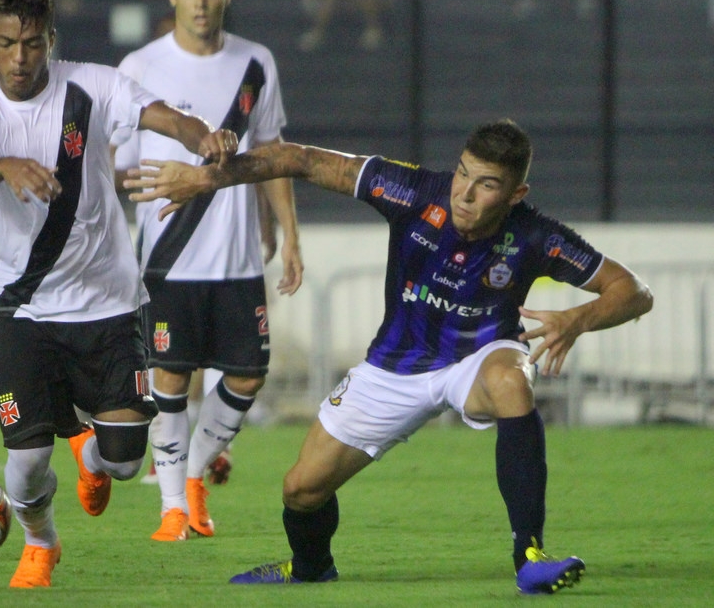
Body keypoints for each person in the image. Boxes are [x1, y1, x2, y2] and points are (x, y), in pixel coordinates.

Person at [124, 118, 654, 594]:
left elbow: (633, 290)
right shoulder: (412, 190)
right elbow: (301, 159)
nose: (465, 193)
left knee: (514, 378)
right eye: (463, 174)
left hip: (478, 359)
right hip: (392, 369)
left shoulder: (537, 235)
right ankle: (311, 567)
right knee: (301, 490)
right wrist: (210, 178)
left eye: (486, 185)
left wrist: (577, 320)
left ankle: (530, 555)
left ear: (516, 194)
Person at [0, 0, 240, 589]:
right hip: (25, 312)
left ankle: (89, 450)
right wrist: (4, 165)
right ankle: (41, 543)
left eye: (30, 43)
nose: (19, 58)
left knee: (128, 464)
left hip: (108, 307)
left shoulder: (92, 85)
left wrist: (202, 136)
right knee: (24, 465)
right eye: (5, 44)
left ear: (50, 38)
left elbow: (163, 116)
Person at [112, 0, 303, 542]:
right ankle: (173, 509)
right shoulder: (140, 68)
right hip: (167, 258)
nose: (201, 2)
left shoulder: (256, 64)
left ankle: (193, 476)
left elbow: (273, 155)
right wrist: (145, 180)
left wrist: (288, 234)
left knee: (247, 376)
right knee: (170, 381)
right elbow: (113, 163)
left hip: (238, 256)